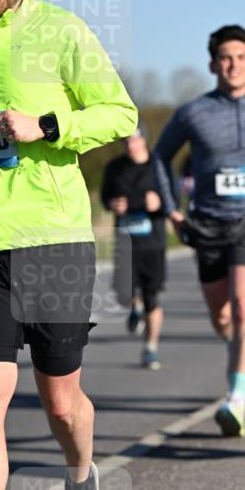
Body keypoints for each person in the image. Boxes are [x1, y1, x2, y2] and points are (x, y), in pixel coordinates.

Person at [0, 0, 137, 490]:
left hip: (53, 240)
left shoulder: (62, 32)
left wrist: (45, 124)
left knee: (59, 402)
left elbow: (120, 114)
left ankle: (80, 474)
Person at [152, 25, 245, 438]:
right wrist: (172, 210)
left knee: (244, 307)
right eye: (225, 57)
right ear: (212, 64)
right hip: (207, 222)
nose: (233, 64)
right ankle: (238, 349)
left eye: (240, 57)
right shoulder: (192, 112)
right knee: (223, 316)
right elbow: (161, 157)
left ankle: (236, 399)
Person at [102, 125, 166, 369]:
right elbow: (105, 197)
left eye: (134, 140)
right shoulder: (114, 168)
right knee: (122, 293)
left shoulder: (158, 166)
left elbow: (171, 196)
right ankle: (134, 307)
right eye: (126, 141)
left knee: (152, 297)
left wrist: (158, 202)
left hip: (153, 243)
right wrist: (112, 204)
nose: (130, 145)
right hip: (125, 241)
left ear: (143, 140)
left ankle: (150, 348)